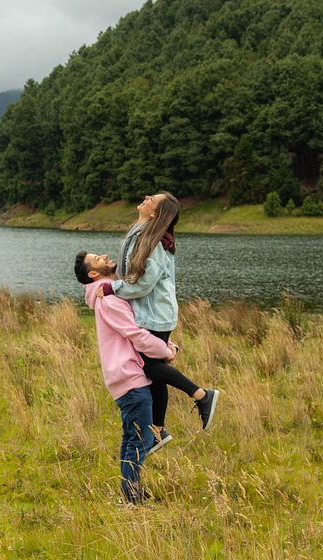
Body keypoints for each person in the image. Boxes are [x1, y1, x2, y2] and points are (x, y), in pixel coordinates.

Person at [98, 191, 219, 452]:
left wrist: (112, 289)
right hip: (154, 314)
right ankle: (158, 430)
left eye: (152, 199)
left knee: (149, 367)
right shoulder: (143, 234)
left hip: (155, 315)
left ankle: (200, 395)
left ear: (155, 214)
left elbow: (143, 283)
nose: (146, 197)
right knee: (153, 370)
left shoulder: (151, 243)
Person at [74, 250, 177, 504]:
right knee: (139, 440)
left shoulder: (112, 294)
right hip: (129, 377)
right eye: (97, 258)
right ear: (93, 274)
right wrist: (165, 350)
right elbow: (136, 334)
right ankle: (131, 499)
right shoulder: (109, 300)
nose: (105, 255)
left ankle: (131, 493)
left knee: (133, 438)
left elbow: (140, 324)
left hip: (126, 376)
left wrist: (168, 343)